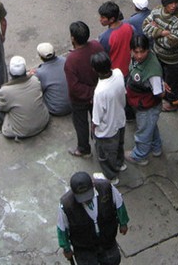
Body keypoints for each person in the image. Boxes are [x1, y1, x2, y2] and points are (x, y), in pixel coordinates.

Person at [57, 171, 129, 264]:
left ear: (93, 185)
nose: (86, 201)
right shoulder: (66, 205)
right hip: (84, 247)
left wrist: (123, 222)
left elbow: (119, 204)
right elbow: (62, 229)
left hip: (107, 240)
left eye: (88, 196)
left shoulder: (106, 188)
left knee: (113, 261)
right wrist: (66, 248)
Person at [142, 0, 178, 112]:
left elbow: (173, 42)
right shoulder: (157, 11)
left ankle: (174, 102)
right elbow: (145, 27)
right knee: (160, 77)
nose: (174, 6)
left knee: (173, 82)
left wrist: (155, 35)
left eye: (176, 3)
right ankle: (162, 95)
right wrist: (161, 32)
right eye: (170, 3)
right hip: (158, 54)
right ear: (164, 3)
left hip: (173, 59)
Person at [65, 21, 104, 158]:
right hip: (98, 92)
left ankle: (84, 149)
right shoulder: (96, 46)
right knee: (98, 119)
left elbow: (74, 87)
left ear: (73, 38)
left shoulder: (71, 60)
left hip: (81, 100)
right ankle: (99, 143)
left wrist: (91, 93)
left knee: (81, 123)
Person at [124, 35, 164, 166]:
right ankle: (156, 148)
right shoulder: (137, 61)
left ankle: (139, 156)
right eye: (136, 52)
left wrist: (163, 86)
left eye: (142, 51)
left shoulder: (153, 70)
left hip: (147, 107)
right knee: (150, 127)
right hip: (141, 104)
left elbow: (159, 93)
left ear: (148, 50)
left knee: (143, 131)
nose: (139, 56)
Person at [91, 53, 126, 185]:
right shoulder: (118, 73)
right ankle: (120, 164)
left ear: (94, 70)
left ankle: (111, 176)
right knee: (119, 146)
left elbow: (97, 118)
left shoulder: (100, 91)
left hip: (107, 129)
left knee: (105, 154)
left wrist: (93, 130)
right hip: (120, 120)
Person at [0, 56, 50, 139]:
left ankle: (2, 128)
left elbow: (0, 107)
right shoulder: (35, 80)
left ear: (10, 73)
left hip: (22, 131)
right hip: (43, 121)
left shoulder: (5, 90)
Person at [32, 42, 71, 116]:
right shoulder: (64, 60)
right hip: (73, 103)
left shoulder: (40, 72)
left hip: (56, 109)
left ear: (40, 57)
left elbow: (39, 90)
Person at [98, 1, 134, 78]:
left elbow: (103, 59)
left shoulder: (105, 37)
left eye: (103, 17)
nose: (100, 19)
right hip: (128, 68)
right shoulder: (128, 27)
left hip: (114, 73)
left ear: (112, 19)